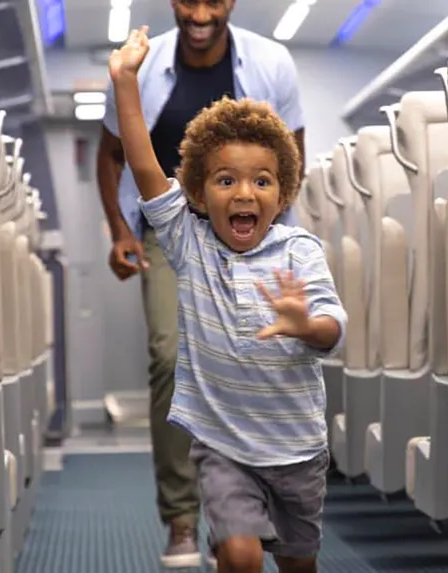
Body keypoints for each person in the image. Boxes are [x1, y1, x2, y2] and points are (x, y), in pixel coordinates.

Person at [108, 24, 345, 573]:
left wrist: (307, 326)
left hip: (297, 448)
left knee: (298, 564)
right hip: (223, 448)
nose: (244, 193)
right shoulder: (188, 243)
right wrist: (125, 82)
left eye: (262, 182)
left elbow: (333, 325)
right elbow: (143, 166)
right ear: (195, 193)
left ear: (282, 194)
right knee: (239, 555)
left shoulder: (300, 252)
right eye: (225, 181)